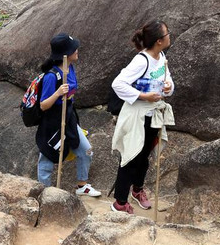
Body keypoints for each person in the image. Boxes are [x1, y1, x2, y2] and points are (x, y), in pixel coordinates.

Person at [110, 20, 175, 215]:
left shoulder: (161, 56)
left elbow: (168, 80)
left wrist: (168, 87)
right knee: (131, 156)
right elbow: (118, 84)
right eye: (167, 34)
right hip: (137, 115)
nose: (169, 36)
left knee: (144, 156)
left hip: (153, 115)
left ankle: (137, 190)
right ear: (158, 41)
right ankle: (119, 202)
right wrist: (143, 96)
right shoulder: (142, 60)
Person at [35, 33, 101, 197]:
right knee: (48, 156)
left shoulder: (70, 67)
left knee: (86, 150)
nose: (77, 50)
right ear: (65, 54)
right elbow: (43, 105)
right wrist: (58, 93)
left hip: (69, 117)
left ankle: (82, 185)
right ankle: (44, 192)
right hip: (52, 122)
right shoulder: (52, 76)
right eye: (73, 49)